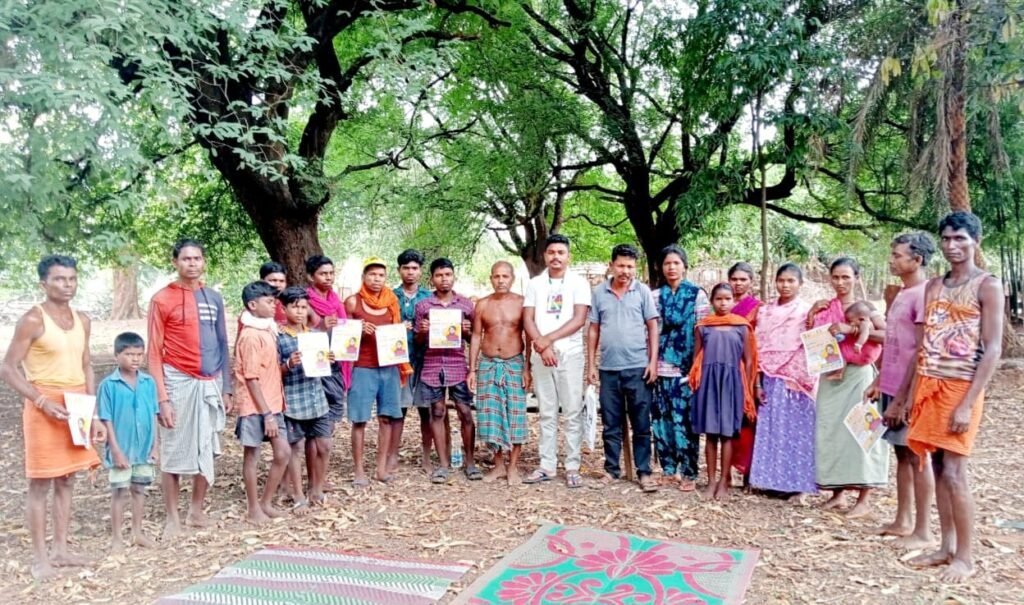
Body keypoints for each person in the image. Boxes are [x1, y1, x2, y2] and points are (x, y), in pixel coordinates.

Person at [902, 211, 1003, 582]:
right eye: (946, 239)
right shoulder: (933, 286)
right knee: (938, 467)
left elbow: (991, 348)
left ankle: (965, 556)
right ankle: (945, 546)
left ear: (976, 240)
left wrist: (967, 401)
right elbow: (925, 342)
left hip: (962, 386)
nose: (952, 246)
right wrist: (913, 393)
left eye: (960, 238)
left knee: (956, 472)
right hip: (931, 382)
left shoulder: (987, 286)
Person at [0, 255, 106, 579]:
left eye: (72, 279)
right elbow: (7, 367)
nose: (67, 285)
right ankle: (40, 558)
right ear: (43, 283)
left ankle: (61, 549)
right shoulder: (33, 319)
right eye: (60, 279)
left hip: (76, 402)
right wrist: (41, 401)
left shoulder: (83, 319)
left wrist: (93, 411)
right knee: (40, 482)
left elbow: (87, 364)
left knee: (67, 478)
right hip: (44, 404)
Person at [148, 239, 232, 538]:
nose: (192, 263)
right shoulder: (162, 299)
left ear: (204, 261)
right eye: (186, 259)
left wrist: (227, 387)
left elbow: (223, 343)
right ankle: (172, 517)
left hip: (210, 382)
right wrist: (162, 398)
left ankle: (196, 510)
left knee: (207, 447)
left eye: (197, 258)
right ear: (175, 262)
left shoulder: (213, 298)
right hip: (177, 381)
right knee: (172, 449)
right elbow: (154, 352)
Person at [864, 232, 936, 548]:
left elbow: (921, 351)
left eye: (897, 255)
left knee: (917, 456)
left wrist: (905, 398)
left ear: (916, 260)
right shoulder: (901, 294)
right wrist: (880, 380)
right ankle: (903, 518)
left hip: (912, 391)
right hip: (892, 385)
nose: (892, 260)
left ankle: (923, 529)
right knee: (901, 454)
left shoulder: (923, 295)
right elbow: (895, 344)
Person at [807, 257, 887, 518]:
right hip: (831, 376)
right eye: (836, 277)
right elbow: (815, 339)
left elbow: (888, 335)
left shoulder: (865, 308)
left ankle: (864, 498)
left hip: (859, 375)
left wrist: (852, 329)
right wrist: (812, 316)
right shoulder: (826, 307)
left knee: (862, 431)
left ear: (857, 278)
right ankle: (837, 492)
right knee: (830, 431)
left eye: (846, 277)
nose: (840, 283)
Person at [586, 244, 660, 493]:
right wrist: (591, 364)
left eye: (630, 266)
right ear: (611, 265)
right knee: (611, 423)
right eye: (621, 265)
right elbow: (594, 328)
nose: (625, 271)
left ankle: (644, 472)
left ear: (635, 268)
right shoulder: (599, 293)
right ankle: (611, 470)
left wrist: (652, 362)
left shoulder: (643, 292)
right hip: (608, 369)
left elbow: (652, 327)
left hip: (638, 368)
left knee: (641, 423)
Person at [522, 234, 592, 487]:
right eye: (551, 252)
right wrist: (542, 346)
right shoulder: (535, 284)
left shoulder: (579, 283)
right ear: (545, 255)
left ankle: (572, 465)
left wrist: (547, 340)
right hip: (541, 356)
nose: (556, 257)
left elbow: (579, 319)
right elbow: (528, 319)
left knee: (572, 410)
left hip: (569, 354)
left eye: (561, 253)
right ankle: (547, 465)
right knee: (547, 411)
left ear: (568, 256)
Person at [750, 264, 819, 500]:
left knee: (796, 431)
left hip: (796, 380)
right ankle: (772, 481)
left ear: (800, 284)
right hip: (769, 378)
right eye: (781, 281)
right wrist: (758, 383)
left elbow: (815, 344)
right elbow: (758, 348)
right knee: (772, 429)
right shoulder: (765, 312)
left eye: (791, 281)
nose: (785, 285)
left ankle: (797, 484)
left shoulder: (807, 312)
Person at [689, 283, 758, 501]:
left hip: (732, 384)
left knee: (728, 435)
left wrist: (745, 387)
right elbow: (696, 359)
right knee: (710, 435)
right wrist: (696, 384)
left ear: (733, 301)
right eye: (719, 299)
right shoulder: (703, 327)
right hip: (708, 383)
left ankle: (723, 483)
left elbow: (748, 361)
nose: (723, 303)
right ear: (712, 302)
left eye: (728, 299)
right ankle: (710, 482)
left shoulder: (742, 327)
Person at [344, 258, 410, 486]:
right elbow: (343, 337)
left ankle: (381, 469)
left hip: (389, 367)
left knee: (386, 418)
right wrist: (357, 328)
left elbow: (395, 331)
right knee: (360, 420)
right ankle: (359, 471)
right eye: (372, 275)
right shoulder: (353, 302)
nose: (376, 279)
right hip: (363, 367)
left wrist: (402, 330)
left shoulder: (391, 301)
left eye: (381, 275)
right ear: (363, 277)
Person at [652, 245, 709, 492]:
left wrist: (696, 366)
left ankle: (688, 472)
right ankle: (667, 469)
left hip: (685, 368)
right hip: (660, 366)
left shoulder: (697, 295)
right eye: (667, 263)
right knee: (661, 420)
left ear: (684, 266)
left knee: (684, 422)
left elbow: (702, 331)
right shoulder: (655, 296)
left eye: (676, 263)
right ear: (661, 267)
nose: (671, 267)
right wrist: (651, 362)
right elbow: (651, 331)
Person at [415, 258, 477, 484]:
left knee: (465, 412)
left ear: (454, 277)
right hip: (432, 365)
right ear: (432, 278)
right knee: (437, 412)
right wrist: (422, 331)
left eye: (448, 275)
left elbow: (474, 338)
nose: (444, 279)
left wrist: (467, 331)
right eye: (439, 275)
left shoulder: (466, 305)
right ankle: (442, 464)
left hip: (458, 365)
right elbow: (418, 341)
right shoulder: (424, 306)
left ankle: (470, 462)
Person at [468, 261, 531, 485]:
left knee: (516, 415)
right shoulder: (483, 305)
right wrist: (472, 369)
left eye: (505, 276)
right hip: (488, 363)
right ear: (491, 278)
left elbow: (529, 337)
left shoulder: (522, 303)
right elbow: (476, 336)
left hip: (514, 363)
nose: (501, 280)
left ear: (512, 278)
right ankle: (498, 465)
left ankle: (513, 467)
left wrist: (527, 368)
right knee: (489, 416)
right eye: (496, 276)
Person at [233, 281, 291, 524]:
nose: (274, 305)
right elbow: (251, 378)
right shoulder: (250, 335)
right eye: (269, 301)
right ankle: (253, 507)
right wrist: (266, 413)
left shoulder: (268, 329)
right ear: (253, 305)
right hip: (256, 406)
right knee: (252, 455)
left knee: (283, 452)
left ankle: (266, 501)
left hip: (273, 403)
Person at [98, 332, 159, 552]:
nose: (135, 359)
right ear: (117, 356)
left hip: (144, 447)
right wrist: (115, 450)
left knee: (139, 489)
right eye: (129, 354)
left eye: (139, 355)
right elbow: (106, 419)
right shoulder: (109, 385)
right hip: (121, 447)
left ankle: (137, 532)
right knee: (119, 491)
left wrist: (155, 445)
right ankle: (116, 538)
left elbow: (154, 413)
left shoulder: (148, 382)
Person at [277, 287, 331, 508]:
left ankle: (317, 489)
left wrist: (329, 359)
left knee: (324, 445)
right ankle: (298, 494)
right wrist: (289, 364)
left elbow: (323, 366)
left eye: (303, 307)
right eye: (294, 307)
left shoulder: (316, 337)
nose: (299, 312)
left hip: (317, 398)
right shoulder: (279, 338)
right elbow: (273, 371)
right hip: (293, 401)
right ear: (284, 308)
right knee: (296, 448)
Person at [393, 249, 434, 474]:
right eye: (406, 268)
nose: (410, 272)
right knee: (398, 410)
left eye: (414, 268)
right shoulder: (390, 297)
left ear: (420, 271)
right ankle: (392, 456)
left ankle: (427, 456)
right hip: (398, 361)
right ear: (399, 270)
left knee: (425, 411)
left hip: (425, 360)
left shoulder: (429, 297)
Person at [305, 255, 352, 429]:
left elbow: (346, 333)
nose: (328, 277)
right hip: (313, 367)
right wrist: (321, 328)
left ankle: (323, 455)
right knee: (314, 421)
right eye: (323, 273)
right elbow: (299, 335)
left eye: (331, 273)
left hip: (335, 365)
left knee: (331, 417)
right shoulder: (304, 302)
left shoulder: (337, 303)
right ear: (311, 277)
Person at [727, 262, 761, 487]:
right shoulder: (723, 305)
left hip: (749, 368)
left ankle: (749, 473)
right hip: (725, 369)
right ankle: (726, 472)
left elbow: (760, 341)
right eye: (734, 279)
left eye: (743, 280)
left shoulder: (758, 308)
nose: (738, 284)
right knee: (727, 420)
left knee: (749, 420)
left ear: (751, 282)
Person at [824, 302, 881, 381]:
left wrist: (859, 344)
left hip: (866, 351)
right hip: (865, 354)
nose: (849, 323)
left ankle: (839, 373)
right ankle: (839, 373)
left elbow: (865, 333)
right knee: (843, 353)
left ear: (861, 318)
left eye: (850, 321)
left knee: (842, 353)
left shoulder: (865, 323)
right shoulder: (861, 323)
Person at [237, 262, 288, 333]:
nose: (278, 285)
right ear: (262, 281)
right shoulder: (252, 312)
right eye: (273, 280)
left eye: (282, 281)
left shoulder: (288, 306)